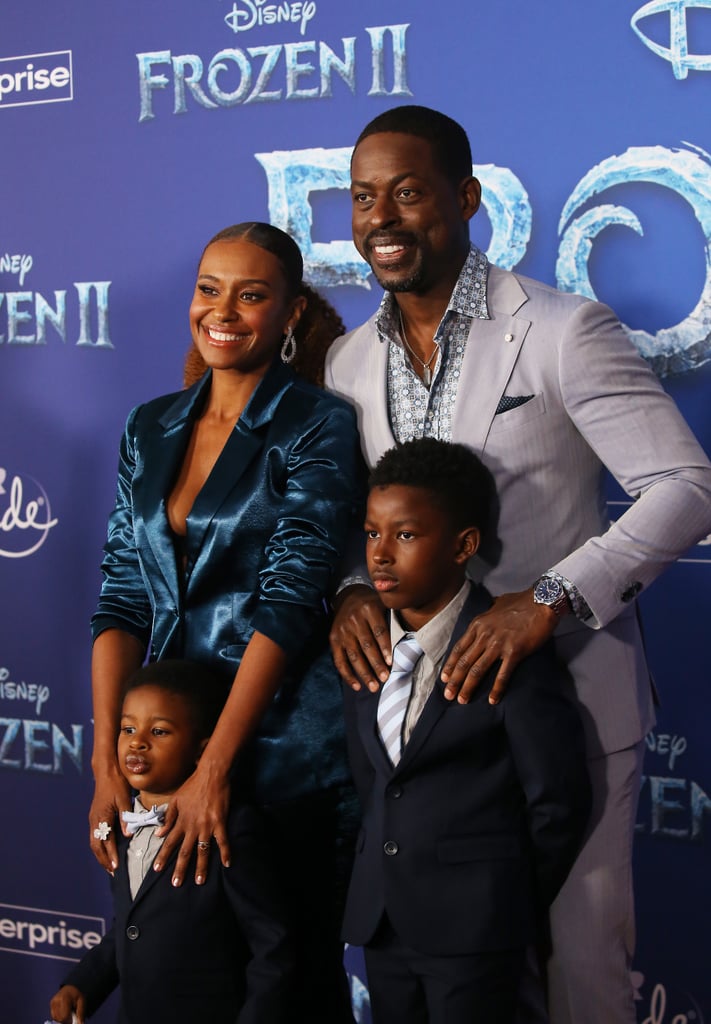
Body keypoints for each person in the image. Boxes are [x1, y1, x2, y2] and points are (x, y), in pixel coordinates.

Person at [324, 105, 711, 1024]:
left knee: (576, 975)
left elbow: (684, 485)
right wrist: (348, 586)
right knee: (456, 980)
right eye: (362, 197)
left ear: (465, 199)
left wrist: (547, 600)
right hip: (428, 740)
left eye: (409, 192)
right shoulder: (344, 362)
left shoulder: (562, 329)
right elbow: (366, 518)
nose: (382, 218)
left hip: (566, 705)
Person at [88, 222, 364, 1023]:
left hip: (281, 754)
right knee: (185, 975)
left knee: (290, 980)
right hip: (170, 748)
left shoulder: (317, 422)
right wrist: (110, 760)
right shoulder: (151, 425)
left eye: (251, 295)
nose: (224, 310)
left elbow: (288, 600)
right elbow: (121, 598)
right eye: (210, 288)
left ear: (288, 315)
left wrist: (215, 771)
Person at [341, 438, 591, 1024]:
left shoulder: (508, 648)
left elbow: (557, 800)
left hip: (478, 933)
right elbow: (371, 785)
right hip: (381, 923)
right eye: (372, 533)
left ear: (463, 546)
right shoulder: (363, 646)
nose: (379, 555)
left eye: (404, 535)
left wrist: (501, 904)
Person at [50, 660, 293, 1024]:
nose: (138, 742)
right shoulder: (118, 826)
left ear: (201, 750)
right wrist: (82, 984)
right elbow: (130, 927)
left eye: (160, 731)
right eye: (127, 728)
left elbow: (273, 946)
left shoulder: (231, 830)